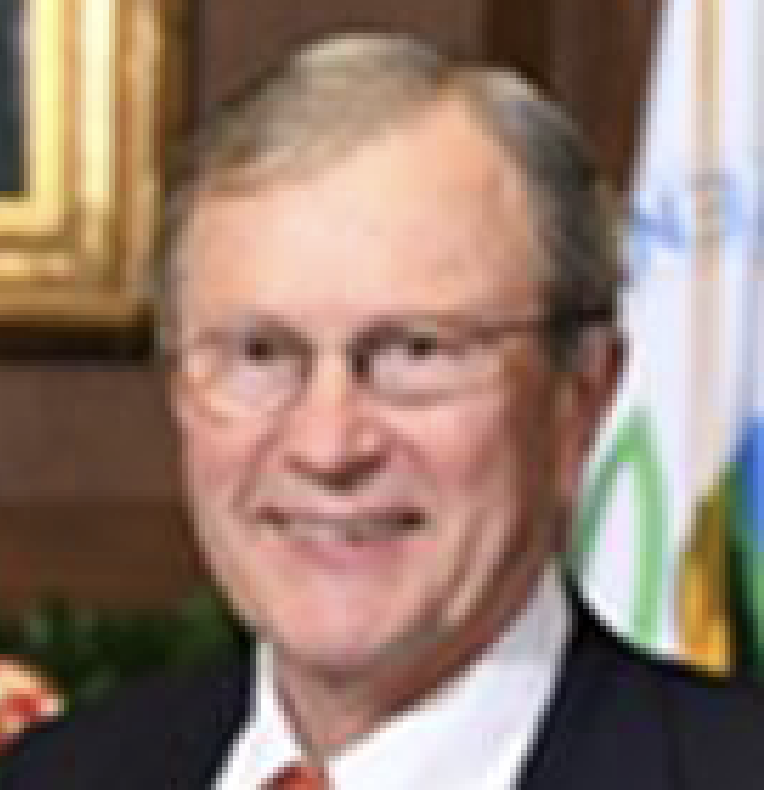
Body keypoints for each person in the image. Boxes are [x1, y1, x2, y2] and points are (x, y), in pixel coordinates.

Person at [3, 34, 762, 790]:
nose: (328, 447)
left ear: (583, 394)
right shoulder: (59, 776)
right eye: (260, 353)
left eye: (416, 352)